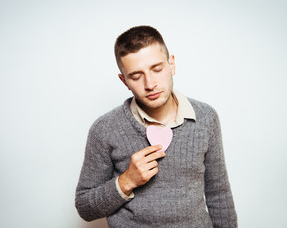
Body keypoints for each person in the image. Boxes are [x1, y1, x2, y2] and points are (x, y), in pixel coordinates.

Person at [75, 25, 237, 227]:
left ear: (172, 65)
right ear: (124, 80)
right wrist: (126, 181)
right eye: (136, 76)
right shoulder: (104, 129)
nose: (150, 83)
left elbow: (218, 193)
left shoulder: (206, 118)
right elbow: (84, 207)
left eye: (157, 69)